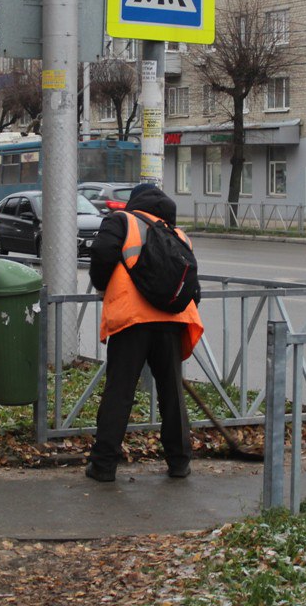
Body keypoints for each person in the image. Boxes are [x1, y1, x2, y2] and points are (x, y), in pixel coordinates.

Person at [85, 183, 204, 482]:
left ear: (135, 202)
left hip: (132, 319)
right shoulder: (177, 234)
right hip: (173, 320)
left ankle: (103, 466)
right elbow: (193, 286)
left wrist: (101, 285)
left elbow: (101, 253)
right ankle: (179, 462)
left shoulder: (122, 221)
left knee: (120, 391)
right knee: (172, 393)